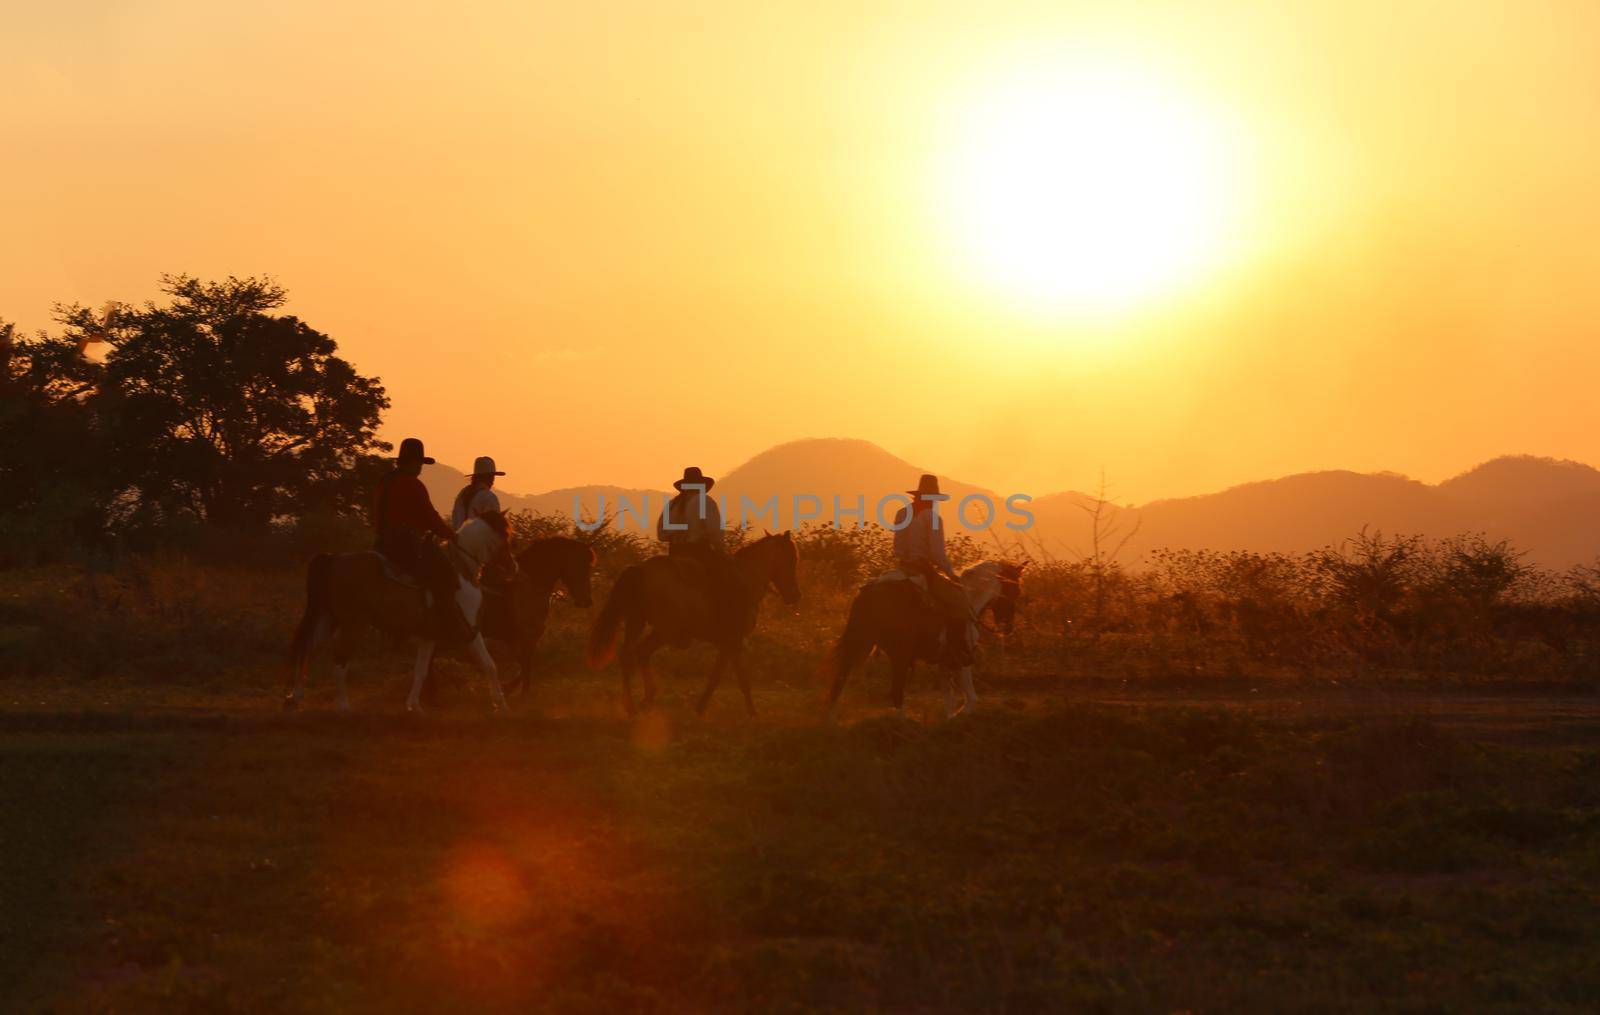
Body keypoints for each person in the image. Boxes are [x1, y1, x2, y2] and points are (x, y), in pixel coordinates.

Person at [373, 437, 472, 643]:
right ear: (412, 462)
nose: (420, 468)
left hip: (382, 542)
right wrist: (451, 534)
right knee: (447, 576)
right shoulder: (413, 484)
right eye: (419, 463)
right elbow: (430, 516)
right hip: (408, 545)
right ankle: (446, 628)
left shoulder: (385, 481)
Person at [892, 474, 974, 667]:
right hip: (922, 570)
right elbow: (937, 554)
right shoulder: (933, 518)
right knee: (959, 603)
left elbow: (897, 547)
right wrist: (951, 573)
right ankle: (955, 653)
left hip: (902, 567)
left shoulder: (902, 513)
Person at [657, 466, 744, 639]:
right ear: (701, 485)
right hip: (699, 552)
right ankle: (724, 622)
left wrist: (680, 534)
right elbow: (715, 533)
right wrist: (722, 552)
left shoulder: (672, 504)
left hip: (674, 553)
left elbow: (661, 534)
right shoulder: (705, 502)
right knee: (729, 581)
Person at [451, 456, 504, 528]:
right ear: (489, 477)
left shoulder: (462, 494)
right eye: (492, 477)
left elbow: (455, 519)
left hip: (459, 537)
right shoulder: (489, 497)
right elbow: (494, 527)